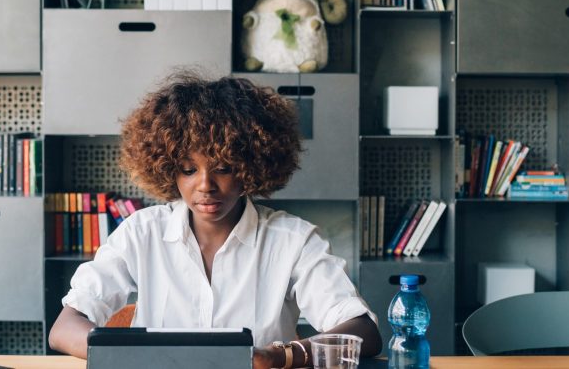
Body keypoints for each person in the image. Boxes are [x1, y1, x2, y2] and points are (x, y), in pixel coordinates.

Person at [48, 71, 382, 368]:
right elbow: (65, 328)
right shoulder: (141, 232)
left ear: (251, 168)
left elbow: (363, 332)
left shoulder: (293, 240)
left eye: (223, 168)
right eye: (188, 170)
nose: (205, 186)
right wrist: (137, 355)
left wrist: (280, 356)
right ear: (167, 169)